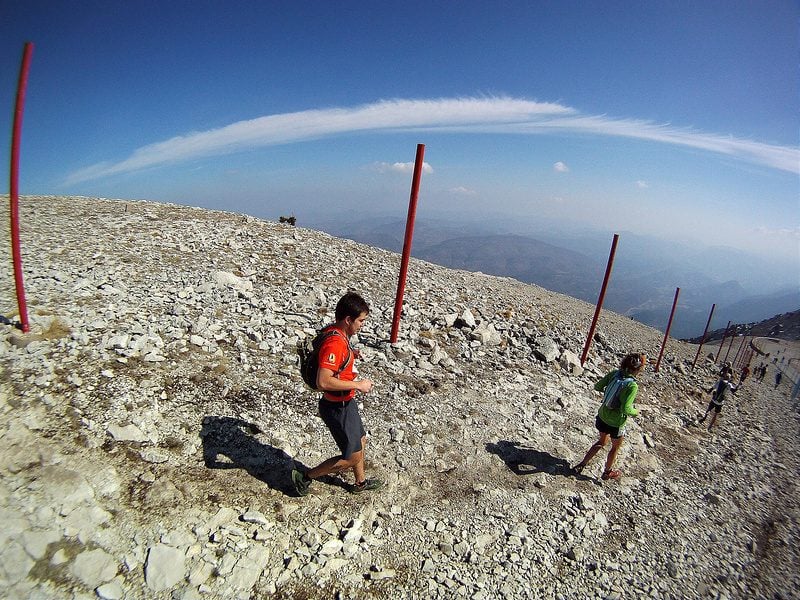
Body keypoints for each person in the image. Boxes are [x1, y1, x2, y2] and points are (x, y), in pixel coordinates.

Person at [291, 292, 383, 496]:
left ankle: (360, 483)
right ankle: (305, 477)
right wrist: (358, 384)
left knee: (360, 441)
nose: (362, 325)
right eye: (360, 320)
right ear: (348, 319)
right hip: (337, 407)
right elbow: (322, 381)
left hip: (345, 402)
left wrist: (351, 356)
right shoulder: (336, 343)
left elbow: (334, 363)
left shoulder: (336, 333)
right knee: (352, 456)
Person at [572, 353, 646, 481]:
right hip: (616, 423)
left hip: (602, 415)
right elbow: (626, 409)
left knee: (601, 442)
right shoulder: (632, 385)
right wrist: (637, 412)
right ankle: (607, 472)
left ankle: (582, 463)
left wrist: (609, 394)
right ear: (638, 369)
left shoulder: (614, 374)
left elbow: (598, 386)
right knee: (615, 447)